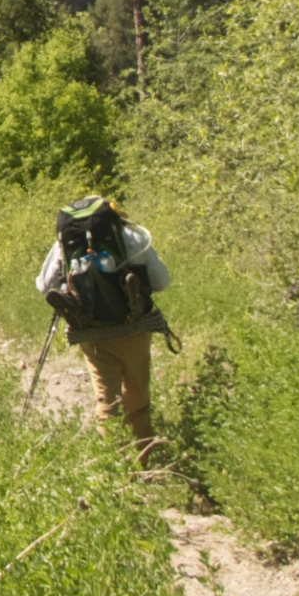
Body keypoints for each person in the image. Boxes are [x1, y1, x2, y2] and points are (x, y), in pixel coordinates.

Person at [34, 196, 172, 463]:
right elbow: (161, 281)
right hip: (134, 326)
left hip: (90, 331)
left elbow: (45, 285)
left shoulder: (65, 241)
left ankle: (115, 469)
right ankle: (145, 462)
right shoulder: (129, 234)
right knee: (137, 399)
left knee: (106, 402)